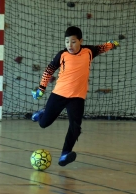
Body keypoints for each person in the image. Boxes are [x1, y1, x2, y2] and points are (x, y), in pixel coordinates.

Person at [31, 26, 119, 167]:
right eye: (67, 42)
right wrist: (41, 88)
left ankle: (65, 154)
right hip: (59, 94)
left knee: (75, 127)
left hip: (77, 97)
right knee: (44, 124)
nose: (69, 45)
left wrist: (112, 44)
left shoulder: (88, 51)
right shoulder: (62, 55)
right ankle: (43, 113)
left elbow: (101, 48)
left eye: (73, 42)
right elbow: (49, 70)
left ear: (80, 41)